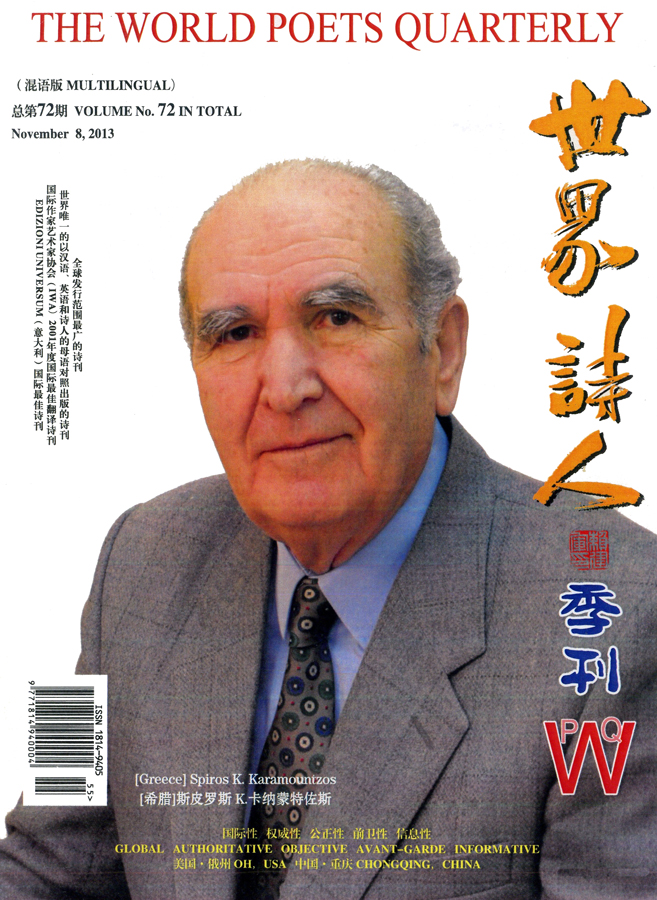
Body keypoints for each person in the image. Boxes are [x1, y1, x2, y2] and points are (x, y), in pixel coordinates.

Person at [1, 159, 655, 900]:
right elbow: (46, 865)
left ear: (442, 351)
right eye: (235, 333)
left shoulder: (621, 616)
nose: (285, 388)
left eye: (337, 318)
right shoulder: (137, 559)